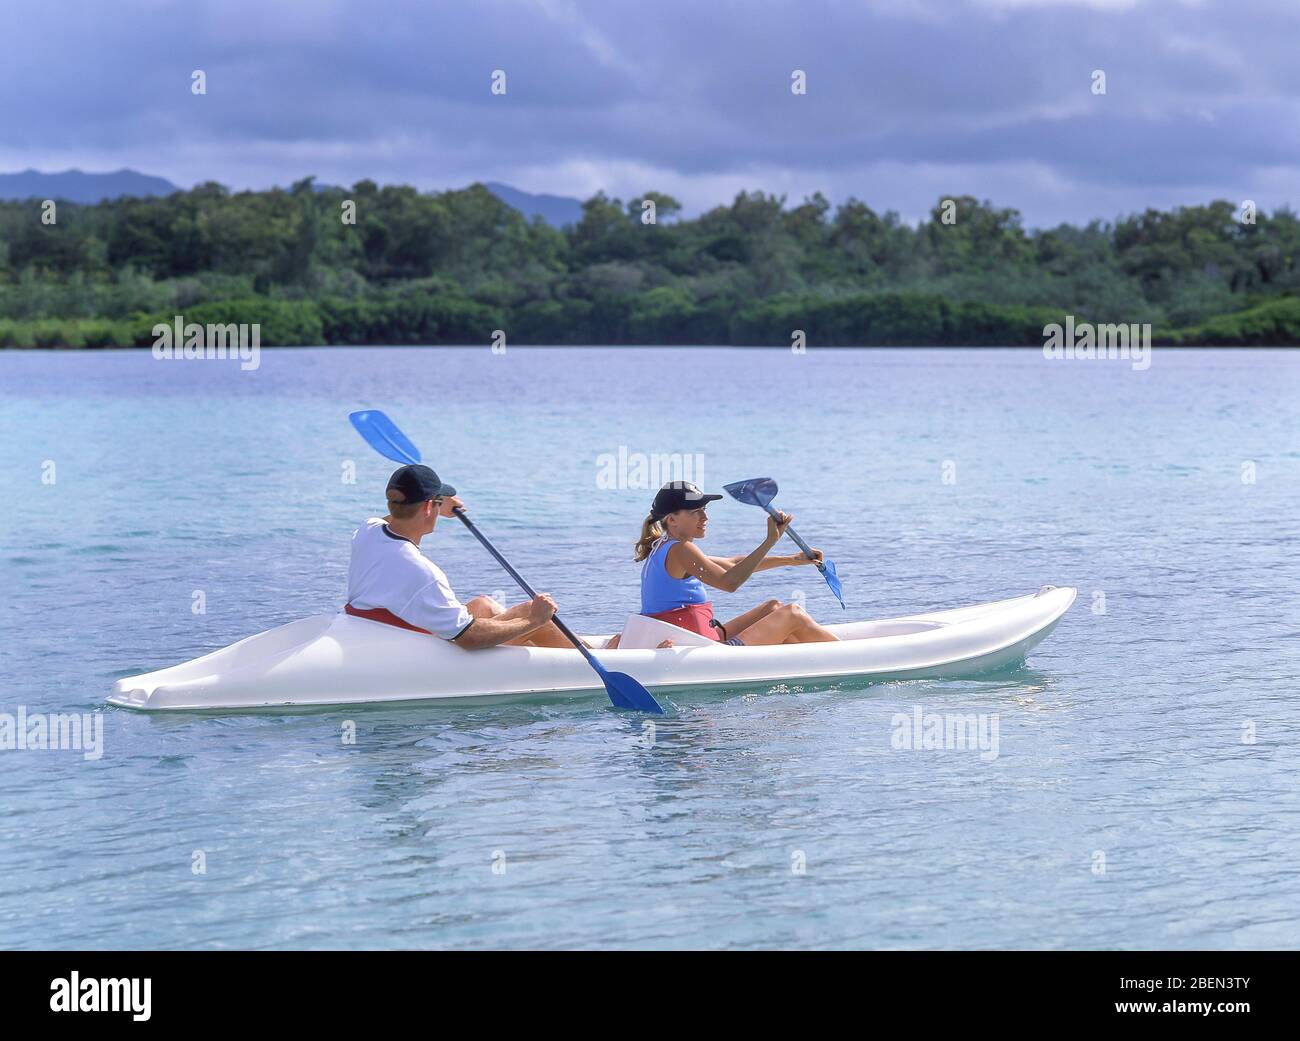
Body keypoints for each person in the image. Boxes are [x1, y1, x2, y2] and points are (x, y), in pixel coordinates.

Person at [346, 463, 576, 649]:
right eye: (436, 503)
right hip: (431, 651)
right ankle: (596, 658)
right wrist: (534, 620)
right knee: (533, 613)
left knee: (482, 605)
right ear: (428, 507)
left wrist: (434, 503)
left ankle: (559, 649)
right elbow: (469, 638)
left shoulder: (367, 531)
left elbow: (395, 515)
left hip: (386, 628)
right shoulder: (424, 573)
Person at [634, 481, 840, 646]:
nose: (705, 517)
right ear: (672, 520)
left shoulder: (662, 547)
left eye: (704, 509)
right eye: (695, 511)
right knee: (793, 614)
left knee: (773, 607)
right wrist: (770, 541)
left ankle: (806, 663)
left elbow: (732, 564)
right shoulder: (681, 549)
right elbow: (729, 582)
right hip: (707, 653)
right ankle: (843, 656)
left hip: (702, 640)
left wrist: (793, 560)